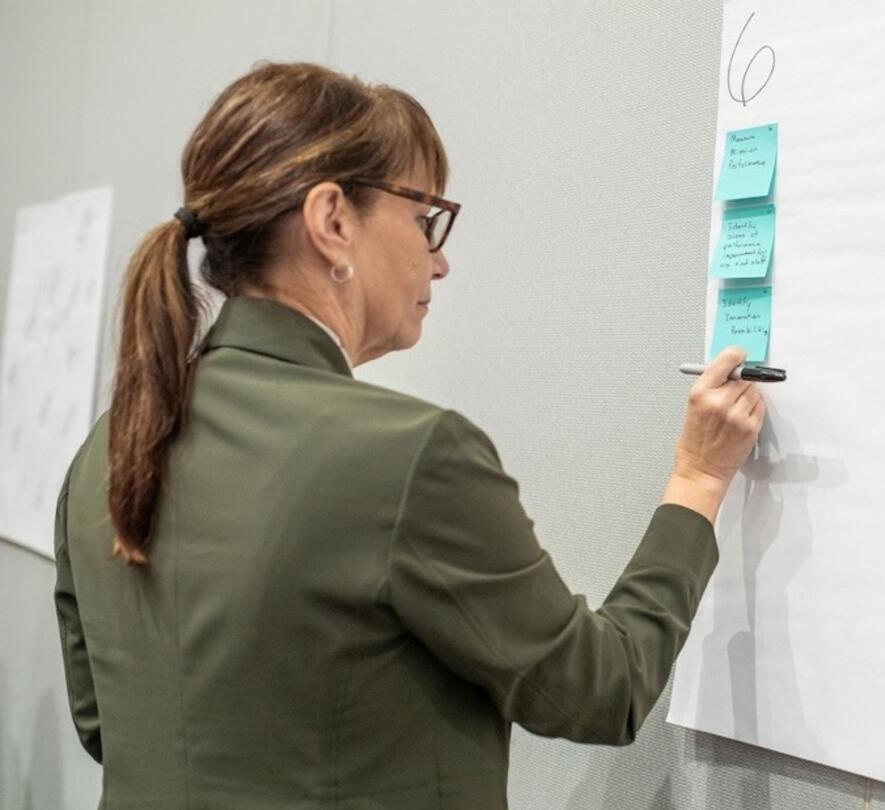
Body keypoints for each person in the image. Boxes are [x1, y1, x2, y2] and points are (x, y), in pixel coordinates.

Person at [53, 62, 764, 809]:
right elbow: (601, 690)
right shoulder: (406, 455)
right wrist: (698, 481)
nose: (441, 260)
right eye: (425, 220)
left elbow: (106, 724)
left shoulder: (110, 445)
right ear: (332, 222)